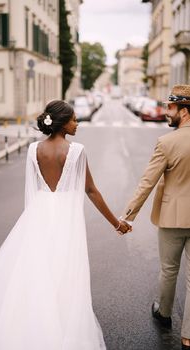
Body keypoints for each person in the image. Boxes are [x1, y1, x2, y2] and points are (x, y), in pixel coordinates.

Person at [0, 100, 131, 350]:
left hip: (37, 215)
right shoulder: (76, 151)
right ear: (61, 123)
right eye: (73, 119)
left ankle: (30, 324)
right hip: (64, 218)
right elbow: (91, 191)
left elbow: (33, 188)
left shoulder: (33, 150)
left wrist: (33, 218)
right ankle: (58, 326)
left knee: (34, 271)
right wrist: (116, 223)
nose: (77, 123)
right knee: (63, 272)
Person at [121, 85, 190, 350]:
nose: (166, 112)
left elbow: (147, 182)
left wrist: (128, 216)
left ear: (183, 112)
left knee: (169, 269)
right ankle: (187, 336)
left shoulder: (167, 142)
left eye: (170, 108)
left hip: (172, 218)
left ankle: (164, 312)